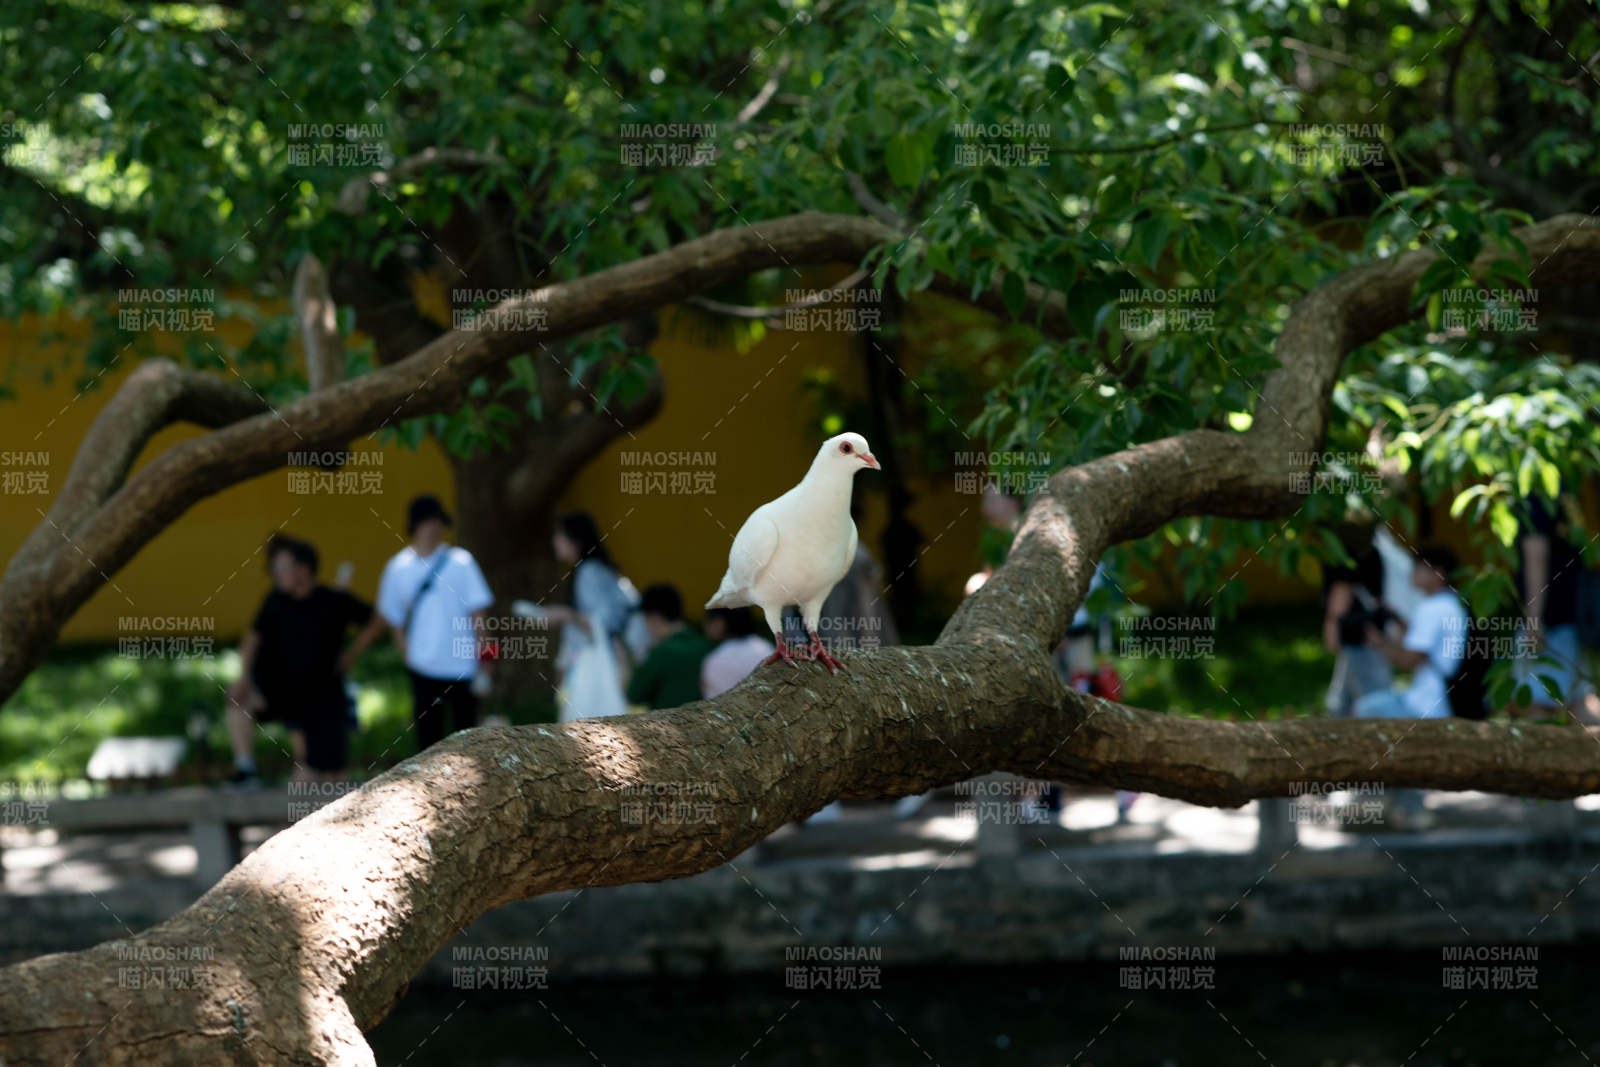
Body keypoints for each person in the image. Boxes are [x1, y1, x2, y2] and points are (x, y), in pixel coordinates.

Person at [225, 535, 380, 785]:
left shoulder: (333, 600)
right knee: (238, 697)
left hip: (323, 699)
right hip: (283, 692)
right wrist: (243, 676)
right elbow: (252, 638)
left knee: (327, 775)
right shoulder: (275, 600)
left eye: (283, 568)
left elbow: (376, 620)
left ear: (304, 570)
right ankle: (246, 770)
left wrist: (351, 654)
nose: (277, 574)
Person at [1354, 544, 1470, 828]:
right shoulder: (1451, 604)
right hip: (1438, 701)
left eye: (1420, 567)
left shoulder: (1433, 608)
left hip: (1426, 704)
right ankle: (1398, 804)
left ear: (1438, 574)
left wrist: (1378, 644)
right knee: (1379, 720)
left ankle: (1394, 803)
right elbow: (1424, 647)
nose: (1413, 573)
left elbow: (1411, 659)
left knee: (1368, 712)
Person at [376, 495, 494, 753]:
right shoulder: (398, 567)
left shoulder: (462, 562)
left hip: (464, 665)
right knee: (428, 743)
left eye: (438, 522)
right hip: (423, 665)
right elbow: (393, 618)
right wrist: (408, 655)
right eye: (428, 521)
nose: (434, 528)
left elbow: (479, 614)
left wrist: (486, 659)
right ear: (415, 525)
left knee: (469, 742)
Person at [540, 512, 638, 720]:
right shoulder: (595, 570)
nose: (554, 541)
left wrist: (564, 615)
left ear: (574, 539)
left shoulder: (588, 572)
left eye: (559, 534)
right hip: (599, 660)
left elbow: (601, 620)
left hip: (593, 664)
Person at [1516, 491, 1593, 719]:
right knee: (1579, 701)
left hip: (1550, 619)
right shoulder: (1562, 489)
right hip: (1571, 613)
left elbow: (1536, 554)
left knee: (1534, 702)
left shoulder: (1534, 494)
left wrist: (1533, 620)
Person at [1321, 523, 1394, 718]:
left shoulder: (1340, 554)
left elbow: (1342, 589)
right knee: (1347, 695)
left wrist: (1331, 627)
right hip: (1368, 629)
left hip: (1359, 633)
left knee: (1372, 697)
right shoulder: (1373, 551)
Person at [624, 585, 711, 710]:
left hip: (665, 725)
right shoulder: (705, 645)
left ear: (655, 618)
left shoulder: (661, 652)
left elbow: (634, 695)